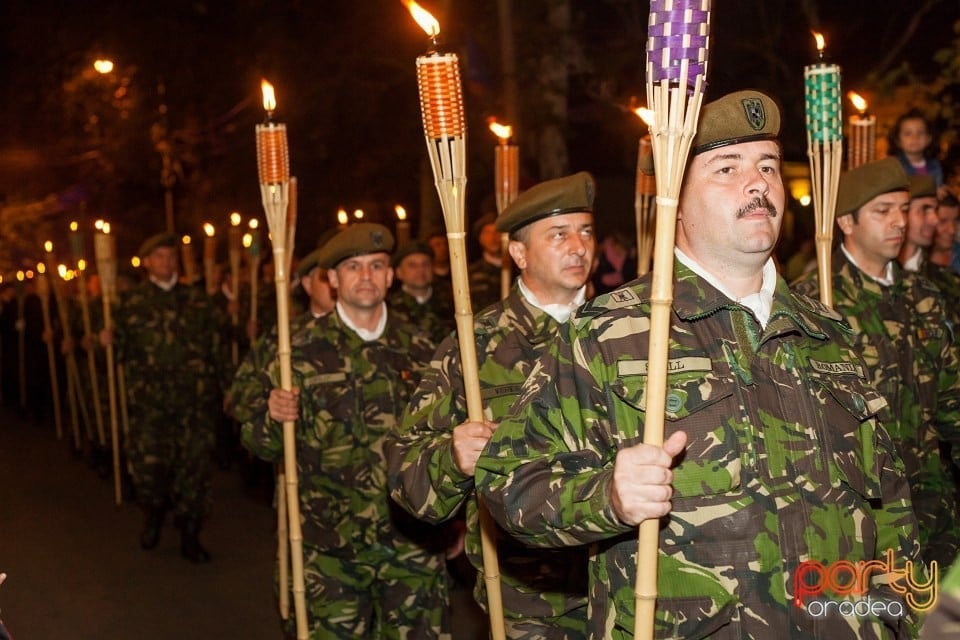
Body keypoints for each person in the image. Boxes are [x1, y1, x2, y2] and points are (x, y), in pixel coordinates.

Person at [475, 90, 920, 639]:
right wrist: (605, 497)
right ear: (675, 202)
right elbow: (508, 481)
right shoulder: (612, 334)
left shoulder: (826, 332)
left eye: (767, 166)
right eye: (726, 168)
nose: (756, 184)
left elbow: (892, 507)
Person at [387, 172, 597, 639]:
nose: (578, 246)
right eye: (558, 234)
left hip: (626, 586)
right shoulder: (476, 343)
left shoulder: (629, 329)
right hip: (529, 600)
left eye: (585, 231)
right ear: (519, 253)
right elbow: (406, 473)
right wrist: (452, 457)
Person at [240, 223, 448, 639]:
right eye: (353, 267)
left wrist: (455, 520)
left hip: (412, 544)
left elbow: (444, 443)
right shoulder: (295, 351)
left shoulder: (424, 349)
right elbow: (257, 445)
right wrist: (272, 417)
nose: (366, 276)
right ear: (331, 280)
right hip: (331, 547)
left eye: (376, 266)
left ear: (392, 276)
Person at [793, 157, 960, 569]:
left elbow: (952, 403)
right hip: (861, 513)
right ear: (847, 223)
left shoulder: (922, 296)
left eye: (903, 209)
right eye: (883, 211)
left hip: (932, 507)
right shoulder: (814, 302)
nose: (899, 222)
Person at [104, 232, 229, 563]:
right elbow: (121, 355)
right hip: (150, 406)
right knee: (150, 470)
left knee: (194, 471)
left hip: (193, 404)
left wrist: (228, 390)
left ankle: (190, 533)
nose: (166, 262)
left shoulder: (197, 301)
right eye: (158, 256)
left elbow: (217, 349)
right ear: (146, 263)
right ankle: (154, 512)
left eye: (170, 256)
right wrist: (107, 341)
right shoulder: (131, 304)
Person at [388, 240, 454, 344]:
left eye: (425, 264)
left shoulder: (452, 303)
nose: (420, 270)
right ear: (399, 272)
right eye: (412, 265)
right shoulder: (389, 307)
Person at [888, 108, 944, 189]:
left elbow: (939, 186)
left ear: (929, 138)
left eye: (920, 133)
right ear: (897, 140)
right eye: (908, 133)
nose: (915, 137)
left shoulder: (935, 165)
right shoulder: (894, 166)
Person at [468, 211, 505, 311]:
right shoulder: (470, 272)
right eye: (487, 233)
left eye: (497, 232)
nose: (493, 237)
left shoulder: (519, 269)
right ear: (480, 238)